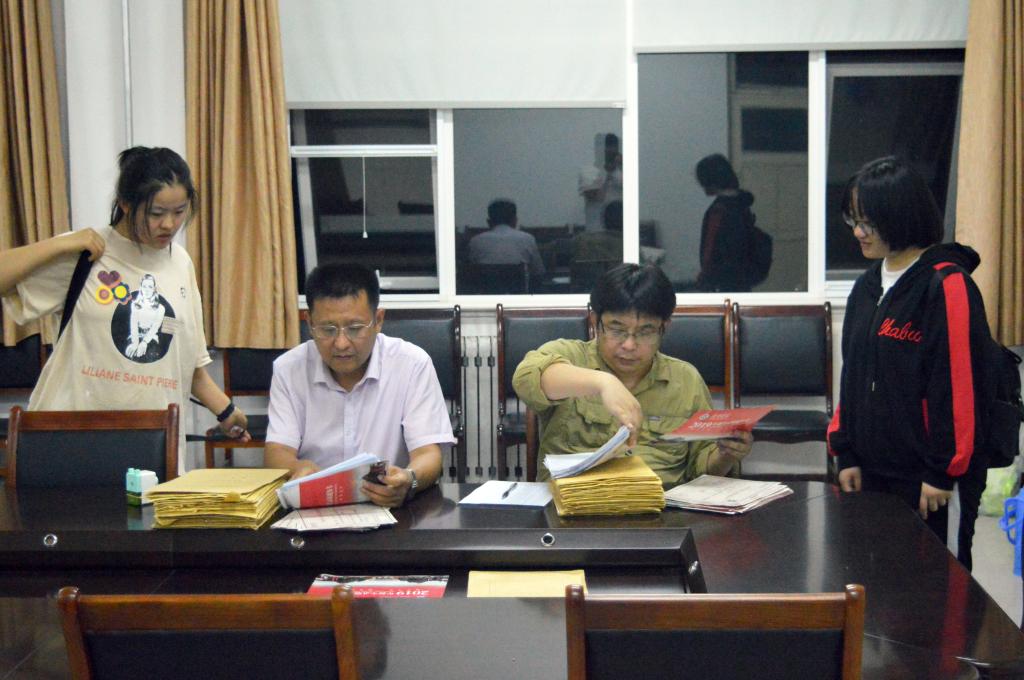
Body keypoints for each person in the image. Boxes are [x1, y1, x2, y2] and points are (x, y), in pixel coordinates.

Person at [0, 146, 250, 471]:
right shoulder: (87, 253)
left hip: (154, 447)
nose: (169, 224)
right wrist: (62, 242)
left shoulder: (180, 263)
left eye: (179, 211)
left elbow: (186, 362)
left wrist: (227, 411)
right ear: (125, 204)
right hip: (72, 441)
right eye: (156, 213)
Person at [827, 155, 993, 570]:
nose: (858, 232)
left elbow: (960, 387)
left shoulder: (946, 284)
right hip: (871, 470)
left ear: (900, 216)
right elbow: (853, 376)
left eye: (868, 222)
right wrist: (846, 451)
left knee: (938, 586)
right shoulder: (866, 287)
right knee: (878, 581)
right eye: (853, 220)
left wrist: (942, 471)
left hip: (929, 479)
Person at [512, 263, 754, 488]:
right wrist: (603, 383)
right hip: (576, 506)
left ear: (664, 327)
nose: (629, 345)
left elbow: (699, 469)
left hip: (661, 507)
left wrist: (725, 455)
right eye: (617, 329)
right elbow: (525, 378)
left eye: (645, 332)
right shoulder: (571, 357)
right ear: (595, 321)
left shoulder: (685, 380)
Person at [264, 262, 455, 508]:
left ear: (378, 320)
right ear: (309, 323)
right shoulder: (289, 368)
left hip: (389, 508)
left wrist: (409, 480)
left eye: (355, 329)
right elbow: (277, 451)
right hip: (313, 509)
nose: (341, 343)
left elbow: (428, 454)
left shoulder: (412, 364)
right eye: (327, 330)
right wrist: (298, 467)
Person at [694, 153, 756, 292]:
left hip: (722, 283)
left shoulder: (718, 211)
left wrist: (705, 276)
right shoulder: (743, 204)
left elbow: (709, 250)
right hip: (743, 279)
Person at [466, 199, 545, 281]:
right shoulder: (527, 239)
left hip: (485, 287)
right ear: (515, 220)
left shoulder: (475, 241)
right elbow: (538, 271)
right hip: (517, 288)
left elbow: (470, 272)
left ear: (489, 222)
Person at [578, 133, 623, 231]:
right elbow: (597, 198)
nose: (610, 152)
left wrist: (622, 167)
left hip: (621, 233)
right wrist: (608, 175)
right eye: (608, 147)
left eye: (614, 147)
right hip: (596, 233)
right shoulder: (588, 172)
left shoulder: (624, 172)